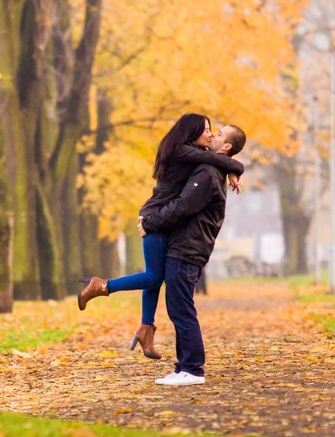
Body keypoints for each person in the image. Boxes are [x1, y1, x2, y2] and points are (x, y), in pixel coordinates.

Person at [76, 114, 245, 360]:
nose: (210, 134)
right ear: (191, 131)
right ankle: (101, 286)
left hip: (165, 218)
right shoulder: (181, 150)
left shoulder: (189, 151)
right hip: (156, 217)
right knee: (154, 276)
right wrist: (234, 167)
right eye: (207, 130)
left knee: (154, 276)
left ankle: (146, 329)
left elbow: (213, 160)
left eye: (214, 132)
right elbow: (215, 159)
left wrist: (229, 169)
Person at [143, 124, 247, 386]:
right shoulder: (212, 167)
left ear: (226, 148)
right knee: (179, 308)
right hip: (186, 246)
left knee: (182, 310)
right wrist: (233, 167)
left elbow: (183, 206)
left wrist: (150, 223)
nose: (212, 134)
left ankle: (192, 369)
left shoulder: (209, 172)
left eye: (219, 133)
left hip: (187, 248)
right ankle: (183, 367)